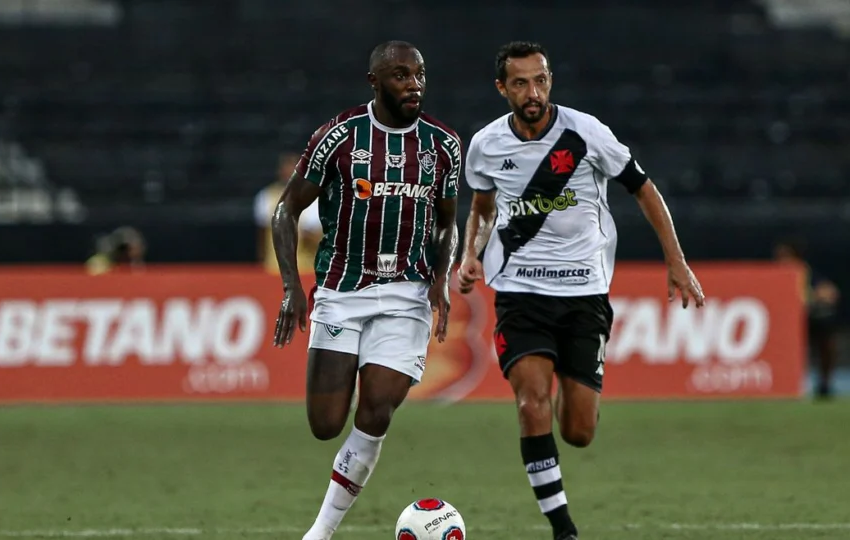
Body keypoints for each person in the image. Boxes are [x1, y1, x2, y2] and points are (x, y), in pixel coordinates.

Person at [457, 41, 705, 540]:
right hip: (520, 293)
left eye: (541, 79)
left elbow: (644, 189)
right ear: (502, 88)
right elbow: (483, 209)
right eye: (522, 83)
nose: (534, 92)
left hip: (584, 294)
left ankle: (575, 406)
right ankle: (564, 529)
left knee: (578, 431)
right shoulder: (485, 145)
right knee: (532, 402)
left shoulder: (585, 133)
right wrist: (471, 254)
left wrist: (676, 261)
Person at [269, 40, 461, 540]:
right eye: (400, 75)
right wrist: (292, 286)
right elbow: (286, 210)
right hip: (341, 291)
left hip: (407, 296)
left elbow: (447, 223)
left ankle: (320, 531)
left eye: (419, 74)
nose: (413, 84)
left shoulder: (443, 145)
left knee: (377, 407)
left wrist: (440, 278)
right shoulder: (339, 136)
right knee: (326, 424)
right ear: (374, 81)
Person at [774, 237, 841, 399]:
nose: (782, 260)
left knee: (826, 334)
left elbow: (830, 292)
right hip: (780, 321)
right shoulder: (773, 276)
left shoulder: (806, 273)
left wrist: (819, 296)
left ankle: (824, 383)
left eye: (785, 256)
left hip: (807, 319)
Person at [254, 153, 323, 274]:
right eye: (286, 168)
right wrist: (262, 261)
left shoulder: (315, 200)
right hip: (274, 269)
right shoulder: (266, 196)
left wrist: (309, 237)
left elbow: (322, 240)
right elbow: (262, 234)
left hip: (306, 269)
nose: (289, 172)